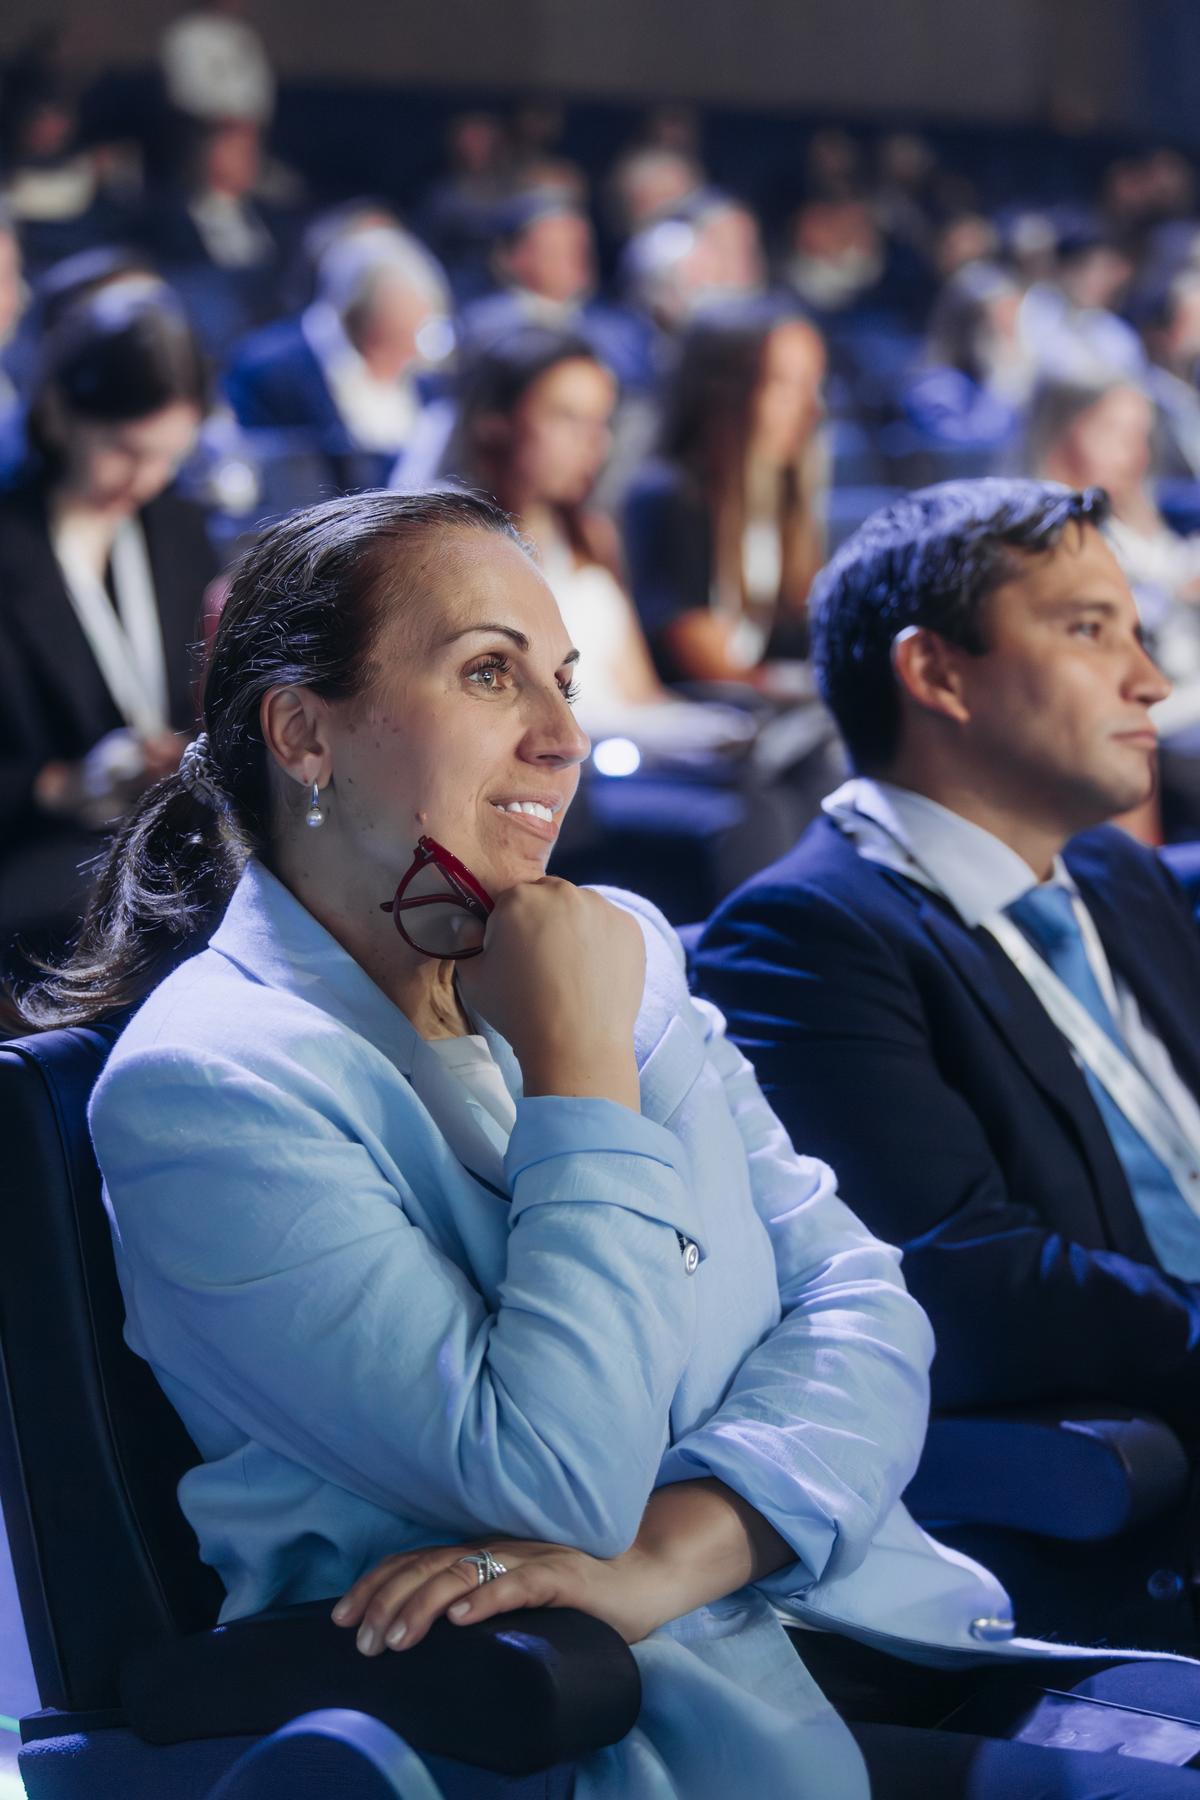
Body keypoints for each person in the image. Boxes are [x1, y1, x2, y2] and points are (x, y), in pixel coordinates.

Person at [20, 485, 1200, 1799]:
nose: (565, 737)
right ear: (304, 733)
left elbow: (867, 1307)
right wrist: (579, 1070)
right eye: (491, 673)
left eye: (567, 680)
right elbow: (557, 1477)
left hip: (867, 1626)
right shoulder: (212, 1085)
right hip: (616, 1735)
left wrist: (669, 1557)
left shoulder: (621, 948)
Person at [693, 478, 1200, 1453]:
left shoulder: (1113, 872)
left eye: (1136, 634)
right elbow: (968, 1286)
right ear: (937, 672)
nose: (1150, 681)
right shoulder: (806, 938)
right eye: (1090, 631)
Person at [0, 285, 214, 971]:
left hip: (161, 832)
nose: (148, 478)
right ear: (60, 416)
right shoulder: (11, 541)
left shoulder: (178, 527)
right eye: (125, 450)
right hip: (36, 849)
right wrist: (61, 785)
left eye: (170, 456)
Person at [623, 297, 828, 689]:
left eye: (814, 385)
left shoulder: (780, 496)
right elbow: (703, 660)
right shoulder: (671, 497)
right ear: (724, 393)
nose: (812, 408)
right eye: (784, 384)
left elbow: (801, 632)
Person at [224, 224, 453, 487]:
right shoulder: (269, 371)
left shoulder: (427, 381)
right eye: (390, 337)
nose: (407, 354)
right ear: (354, 320)